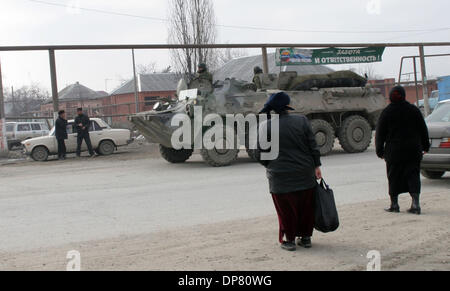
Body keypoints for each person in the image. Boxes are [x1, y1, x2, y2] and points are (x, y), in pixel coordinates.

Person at [257, 92, 322, 251]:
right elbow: (313, 145)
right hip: (305, 173)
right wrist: (316, 166)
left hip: (280, 178)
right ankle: (306, 238)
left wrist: (270, 166)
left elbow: (260, 154)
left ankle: (290, 240)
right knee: (306, 207)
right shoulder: (302, 121)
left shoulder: (267, 126)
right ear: (287, 106)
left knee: (286, 210)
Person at [376, 86, 430, 215]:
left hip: (394, 152)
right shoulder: (414, 110)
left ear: (390, 97)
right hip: (413, 151)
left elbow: (380, 134)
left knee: (393, 177)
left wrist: (380, 151)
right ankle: (415, 204)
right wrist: (425, 146)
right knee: (413, 176)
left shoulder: (387, 112)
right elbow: (423, 130)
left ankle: (394, 204)